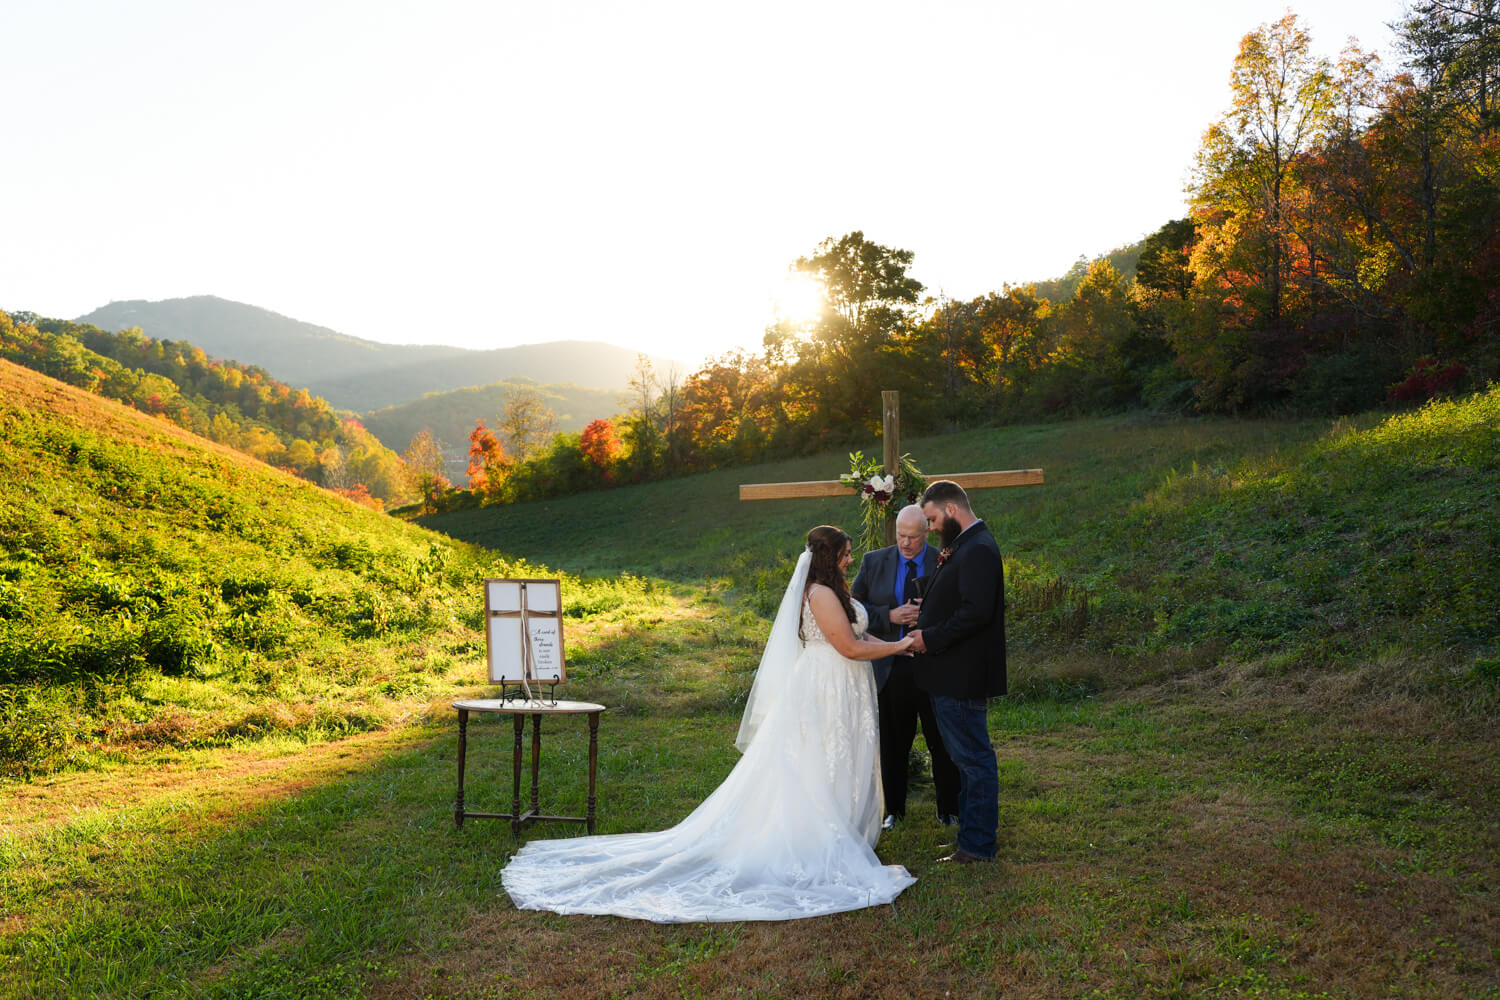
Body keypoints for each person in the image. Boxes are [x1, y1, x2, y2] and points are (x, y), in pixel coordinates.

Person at [501, 525, 917, 922]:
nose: (849, 561)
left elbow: (861, 636)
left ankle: (840, 831)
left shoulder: (835, 592)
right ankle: (816, 840)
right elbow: (846, 646)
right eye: (844, 555)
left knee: (837, 762)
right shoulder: (821, 594)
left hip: (844, 688)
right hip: (825, 689)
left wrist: (896, 647)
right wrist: (898, 644)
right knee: (817, 763)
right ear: (828, 558)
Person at [907, 481, 1006, 866]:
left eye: (931, 519)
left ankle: (978, 846)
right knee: (966, 760)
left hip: (961, 675)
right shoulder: (965, 544)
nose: (930, 528)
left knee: (974, 761)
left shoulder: (978, 548)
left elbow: (975, 613)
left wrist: (928, 637)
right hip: (950, 673)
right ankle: (970, 838)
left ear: (952, 508)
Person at [851, 503, 961, 830]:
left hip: (933, 663)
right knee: (892, 743)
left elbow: (960, 607)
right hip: (890, 664)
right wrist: (890, 616)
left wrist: (930, 611)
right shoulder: (873, 562)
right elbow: (853, 609)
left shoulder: (945, 560)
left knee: (941, 740)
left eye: (913, 537)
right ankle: (893, 810)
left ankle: (949, 809)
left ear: (927, 533)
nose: (906, 543)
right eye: (901, 535)